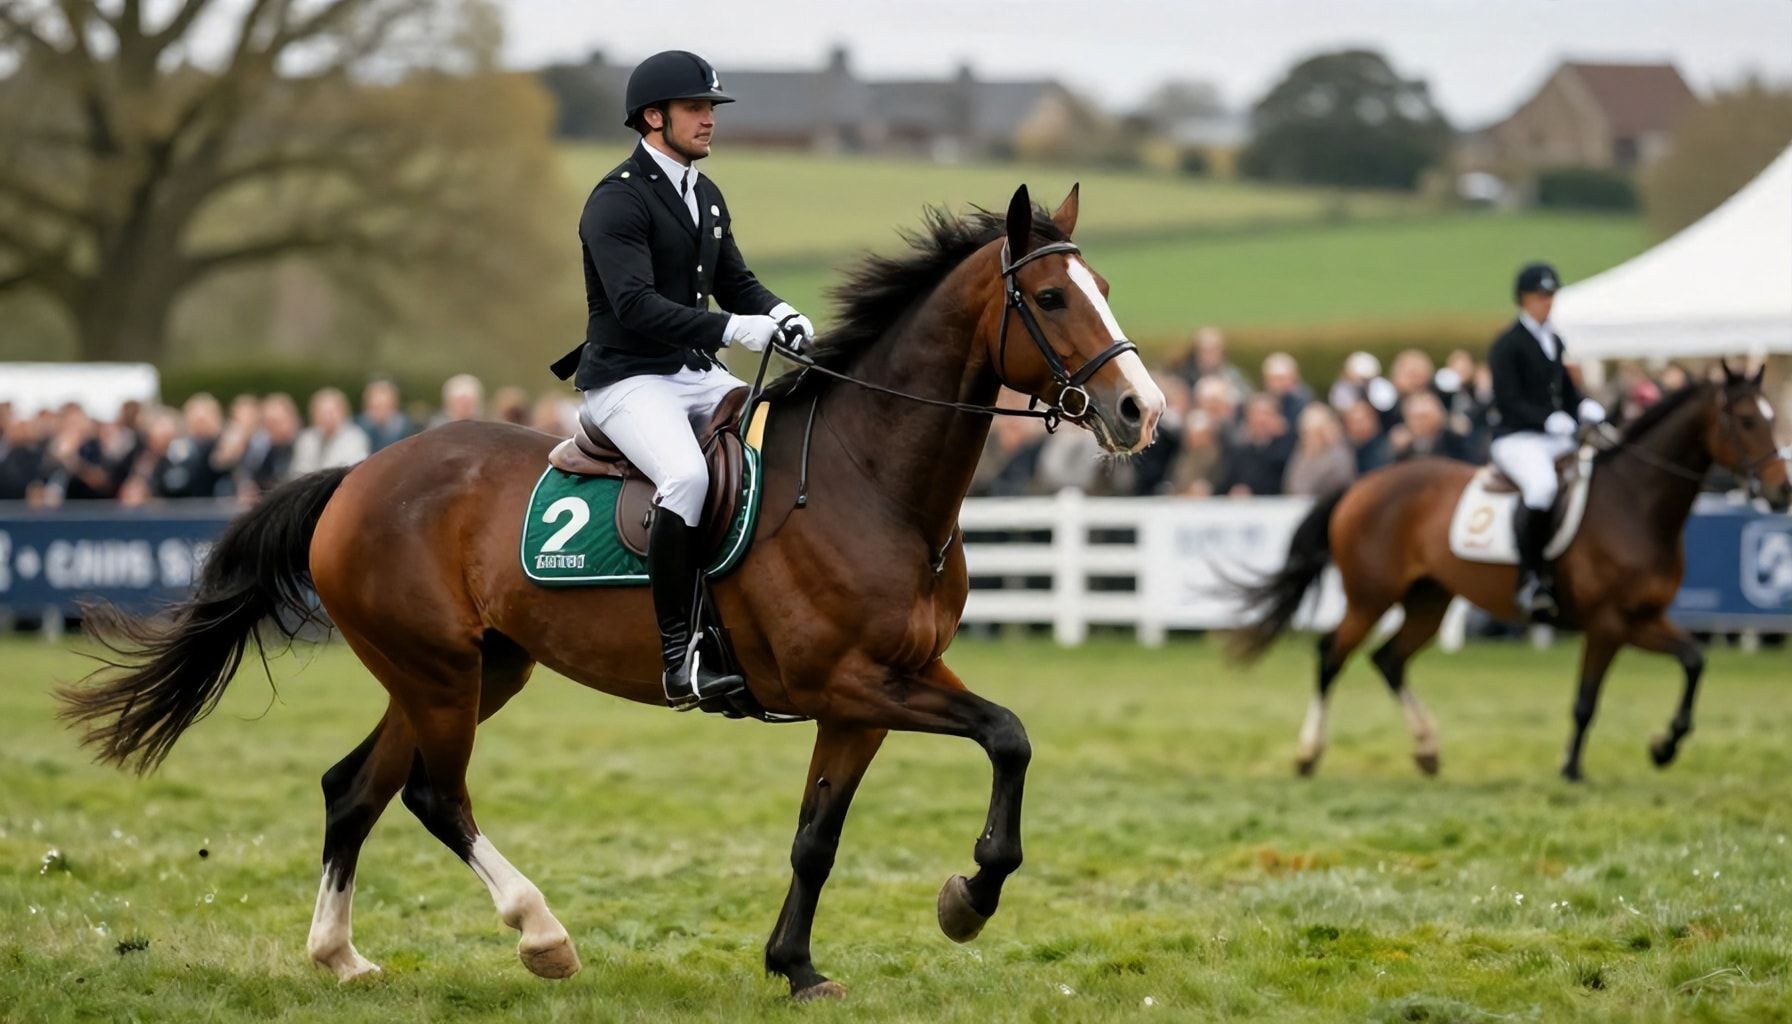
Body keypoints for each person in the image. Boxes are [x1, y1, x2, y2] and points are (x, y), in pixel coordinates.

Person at [547, 50, 816, 712]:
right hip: (628, 381)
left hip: (693, 374)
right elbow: (635, 304)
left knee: (780, 441)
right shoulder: (616, 200)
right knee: (688, 479)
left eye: (711, 109)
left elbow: (735, 282)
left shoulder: (705, 195)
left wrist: (780, 314)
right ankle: (679, 656)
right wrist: (734, 331)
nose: (708, 120)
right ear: (652, 117)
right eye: (697, 109)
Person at [1487, 261, 1604, 619]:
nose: (1548, 302)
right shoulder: (1507, 344)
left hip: (1554, 437)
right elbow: (1507, 399)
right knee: (1541, 488)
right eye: (1541, 296)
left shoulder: (1554, 340)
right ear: (1524, 299)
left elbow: (1566, 393)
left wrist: (1585, 406)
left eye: (1551, 296)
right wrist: (1546, 418)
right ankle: (1530, 577)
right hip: (1518, 438)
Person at [292, 388, 371, 475]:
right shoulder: (305, 438)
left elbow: (352, 468)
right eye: (322, 413)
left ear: (343, 412)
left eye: (331, 412)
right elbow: (298, 469)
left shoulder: (356, 438)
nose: (327, 417)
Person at [1283, 404, 1356, 496]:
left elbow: (1339, 484)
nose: (1308, 438)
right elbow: (1291, 483)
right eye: (1305, 433)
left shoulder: (1339, 454)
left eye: (1313, 432)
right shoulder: (1301, 452)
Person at [358, 380, 414, 453]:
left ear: (393, 405)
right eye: (373, 407)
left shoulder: (405, 430)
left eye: (382, 407)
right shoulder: (358, 428)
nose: (378, 412)